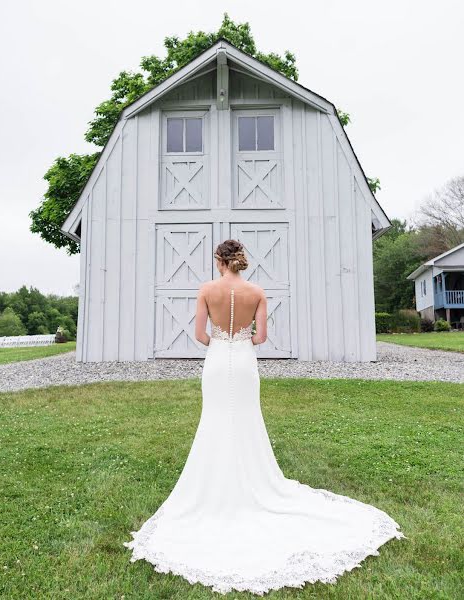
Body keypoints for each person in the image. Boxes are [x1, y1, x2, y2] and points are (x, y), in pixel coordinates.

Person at [123, 239, 406, 595]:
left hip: (216, 363)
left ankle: (213, 484)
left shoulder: (207, 290)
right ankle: (252, 479)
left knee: (214, 420)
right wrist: (239, 343)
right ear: (239, 261)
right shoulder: (256, 291)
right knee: (246, 421)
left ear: (219, 260)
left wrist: (221, 344)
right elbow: (262, 337)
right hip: (243, 362)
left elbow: (199, 334)